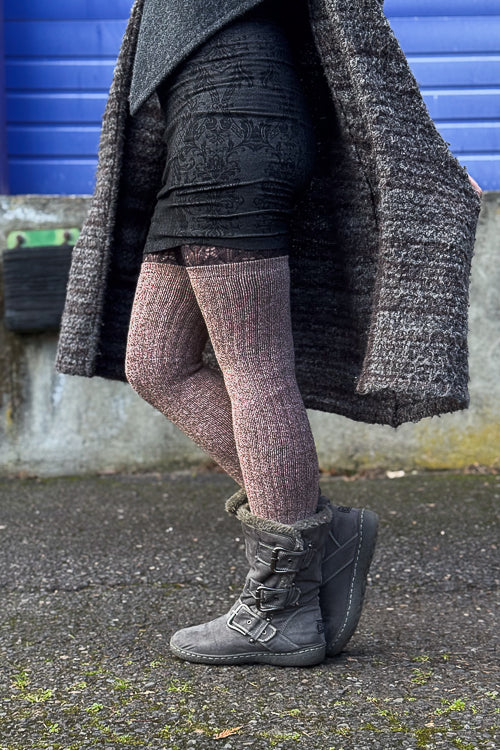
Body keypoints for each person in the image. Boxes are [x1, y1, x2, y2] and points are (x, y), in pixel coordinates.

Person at [55, 0, 482, 666]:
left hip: (232, 127)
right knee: (156, 362)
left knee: (254, 366)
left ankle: (283, 608)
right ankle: (316, 531)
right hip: (202, 130)